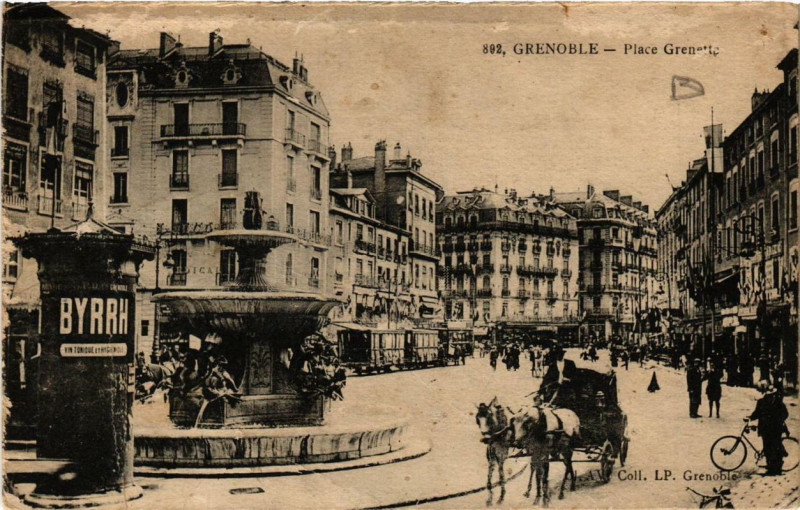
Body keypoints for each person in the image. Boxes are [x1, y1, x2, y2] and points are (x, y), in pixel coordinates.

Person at [748, 380, 789, 475]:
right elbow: (757, 413)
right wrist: (750, 417)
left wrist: (778, 420)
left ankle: (776, 469)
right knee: (767, 448)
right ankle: (770, 466)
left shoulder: (778, 403)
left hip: (775, 429)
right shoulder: (761, 402)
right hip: (765, 429)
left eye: (772, 394)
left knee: (775, 448)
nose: (771, 396)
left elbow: (785, 414)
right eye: (769, 394)